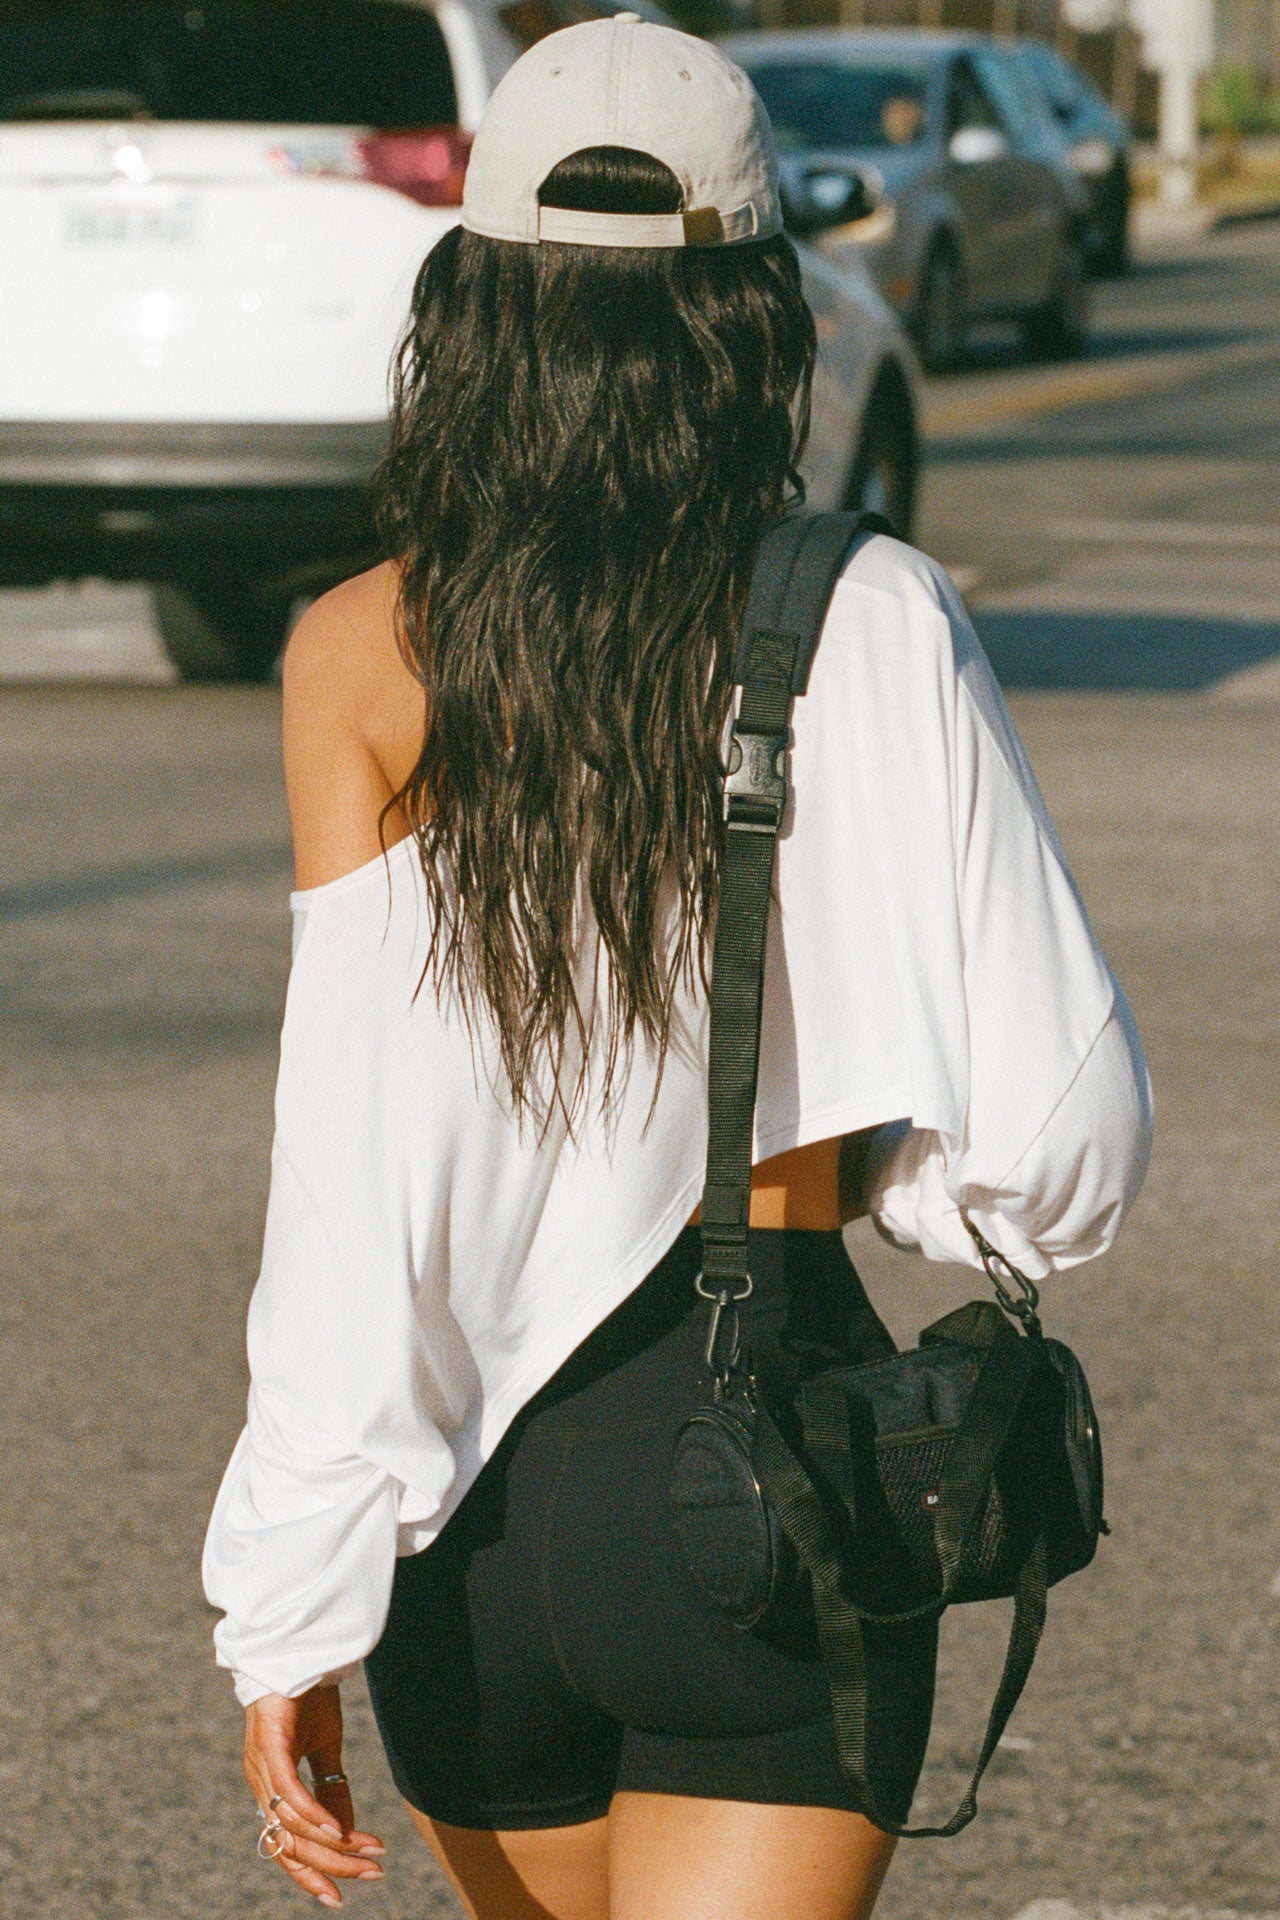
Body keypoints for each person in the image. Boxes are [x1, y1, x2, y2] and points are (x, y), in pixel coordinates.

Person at [202, 17, 1152, 1919]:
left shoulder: (358, 654)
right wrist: (890, 1157)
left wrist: (288, 1606)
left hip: (473, 1535)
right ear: (752, 312)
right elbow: (1065, 1137)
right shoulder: (865, 615)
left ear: (470, 300)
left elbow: (350, 1194)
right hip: (769, 1470)